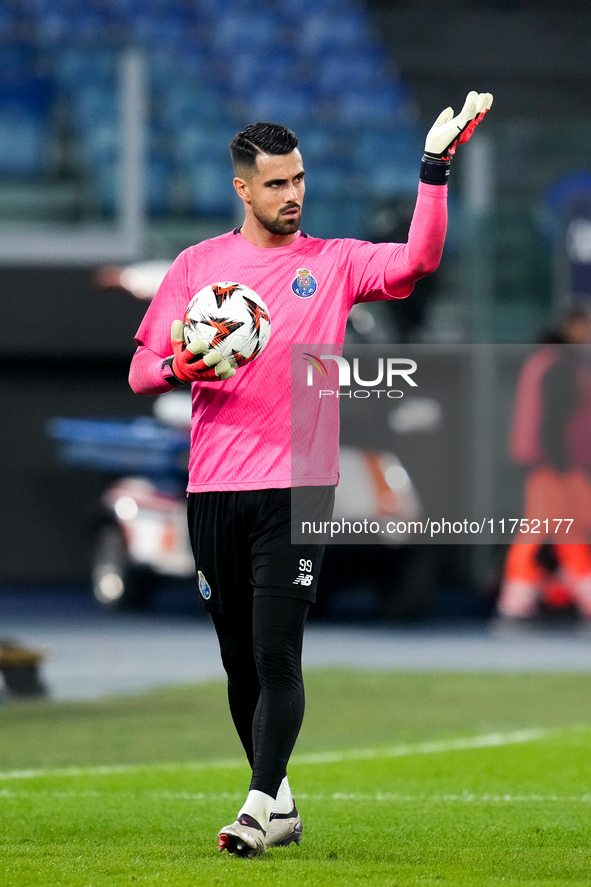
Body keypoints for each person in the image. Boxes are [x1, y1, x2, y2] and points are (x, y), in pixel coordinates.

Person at [129, 92, 492, 858]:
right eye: (276, 183)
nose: (292, 194)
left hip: (298, 484)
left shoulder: (332, 263)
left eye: (298, 180)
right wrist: (175, 365)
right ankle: (283, 801)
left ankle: (257, 807)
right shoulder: (199, 267)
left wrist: (433, 169)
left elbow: (419, 259)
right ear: (242, 188)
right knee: (236, 659)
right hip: (215, 487)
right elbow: (138, 369)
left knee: (274, 653)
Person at [496, 308, 591, 626]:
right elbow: (553, 423)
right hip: (554, 464)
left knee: (561, 532)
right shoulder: (559, 365)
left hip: (546, 463)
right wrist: (565, 468)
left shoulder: (546, 361)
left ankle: (518, 604)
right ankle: (515, 605)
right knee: (548, 533)